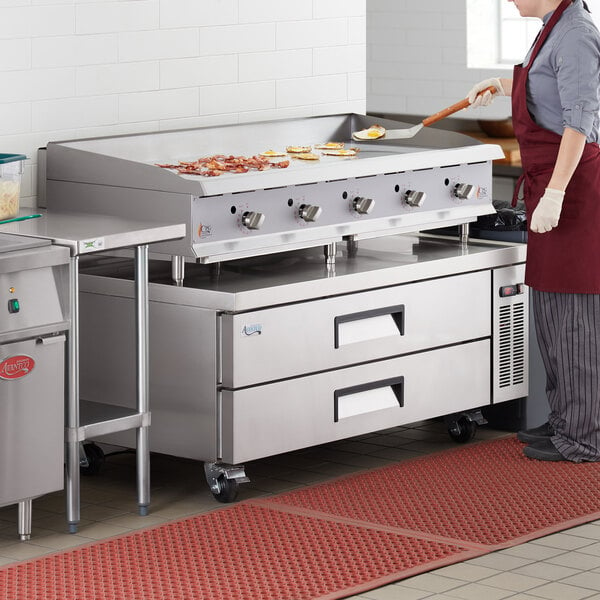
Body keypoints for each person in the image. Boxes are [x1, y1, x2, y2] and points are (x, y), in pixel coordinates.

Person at [467, 0, 600, 462]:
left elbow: (579, 122)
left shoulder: (577, 32)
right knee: (550, 311)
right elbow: (550, 91)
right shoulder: (553, 26)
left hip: (575, 190)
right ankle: (565, 419)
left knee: (576, 316)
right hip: (550, 183)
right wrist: (507, 87)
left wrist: (558, 193)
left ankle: (586, 436)